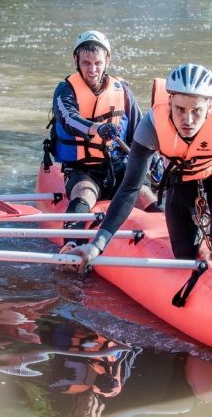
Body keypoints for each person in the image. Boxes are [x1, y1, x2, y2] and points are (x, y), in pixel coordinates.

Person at [68, 63, 212, 271]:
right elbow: (129, 189)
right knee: (184, 257)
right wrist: (97, 245)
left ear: (210, 105)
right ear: (169, 101)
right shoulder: (151, 126)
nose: (188, 119)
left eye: (197, 110)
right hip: (180, 177)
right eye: (180, 109)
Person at [44, 30, 159, 255]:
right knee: (84, 192)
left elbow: (140, 131)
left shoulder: (122, 90)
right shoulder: (65, 90)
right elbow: (69, 119)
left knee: (145, 194)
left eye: (97, 63)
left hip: (117, 165)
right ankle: (72, 246)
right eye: (86, 62)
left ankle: (166, 231)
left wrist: (154, 161)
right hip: (82, 169)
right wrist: (97, 128)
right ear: (75, 60)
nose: (92, 69)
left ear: (107, 61)